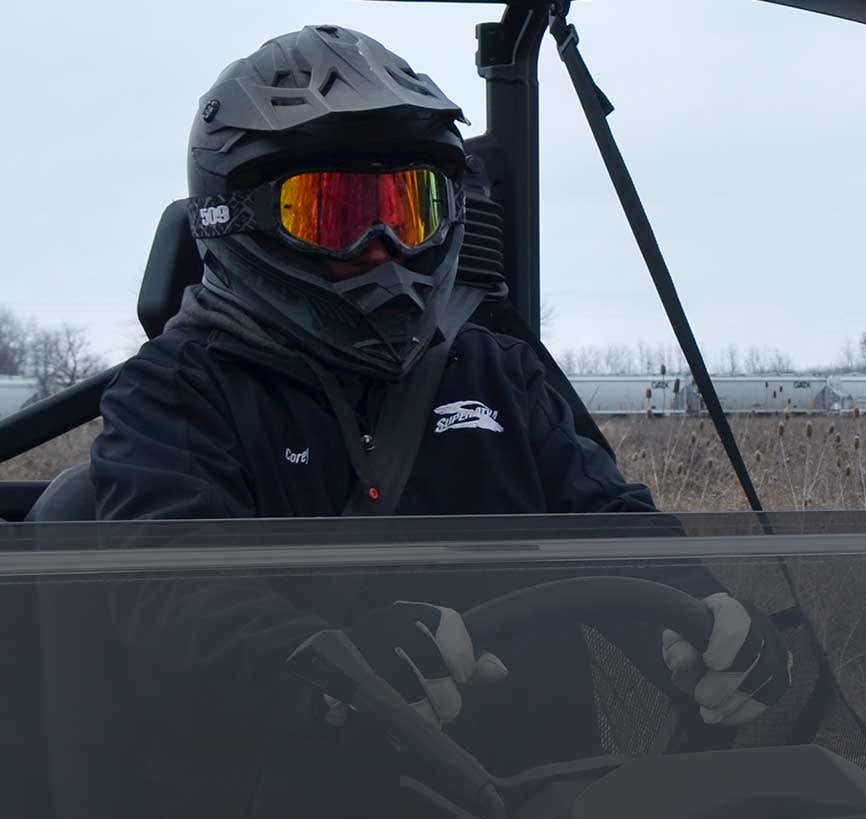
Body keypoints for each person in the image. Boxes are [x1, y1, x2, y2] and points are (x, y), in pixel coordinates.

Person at [91, 25, 789, 740]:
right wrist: (329, 669)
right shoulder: (175, 392)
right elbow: (174, 594)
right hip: (314, 814)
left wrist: (703, 621)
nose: (384, 250)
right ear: (237, 219)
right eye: (335, 216)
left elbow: (608, 523)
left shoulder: (495, 369)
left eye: (410, 211)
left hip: (548, 813)